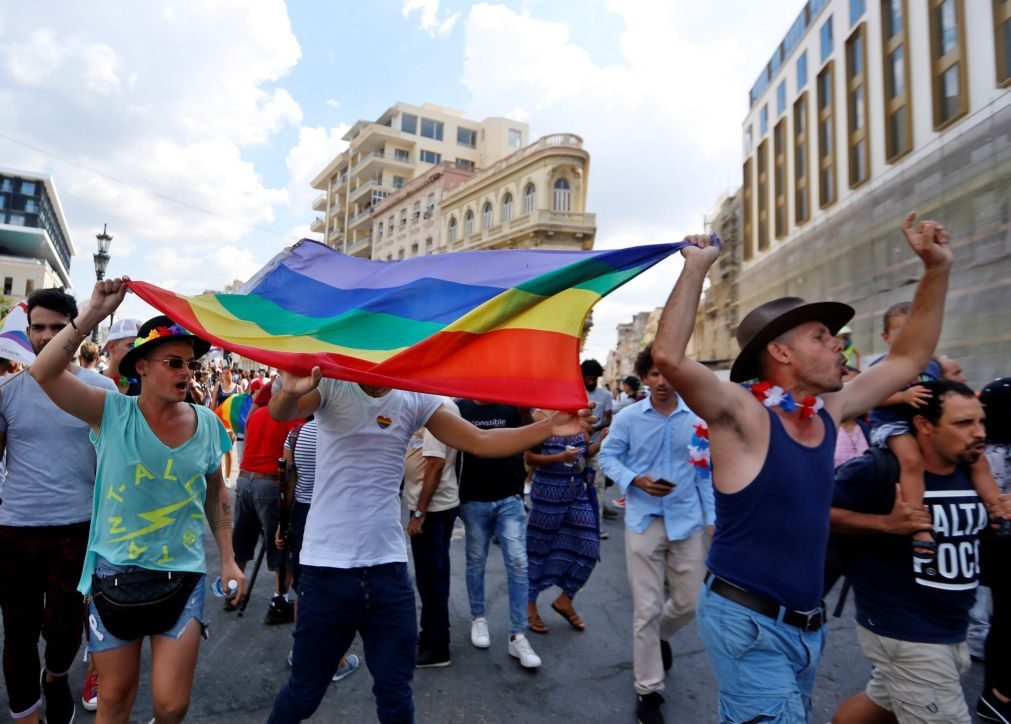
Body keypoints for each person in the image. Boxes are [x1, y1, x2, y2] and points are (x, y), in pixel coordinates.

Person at [651, 213, 955, 722]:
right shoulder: (742, 414)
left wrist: (936, 269)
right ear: (780, 351)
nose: (839, 342)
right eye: (821, 336)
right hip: (745, 623)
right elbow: (670, 356)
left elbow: (908, 359)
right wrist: (697, 267)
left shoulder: (830, 410)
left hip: (806, 626)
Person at [265, 372, 591, 723]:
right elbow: (282, 412)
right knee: (304, 694)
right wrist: (288, 391)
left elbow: (480, 440)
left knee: (396, 697)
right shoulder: (332, 383)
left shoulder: (413, 397)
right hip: (326, 570)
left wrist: (550, 427)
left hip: (387, 573)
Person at [29, 282, 246, 724]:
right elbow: (45, 373)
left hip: (183, 577)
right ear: (142, 367)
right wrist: (92, 313)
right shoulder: (111, 413)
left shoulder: (207, 423)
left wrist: (228, 558)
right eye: (173, 362)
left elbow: (216, 491)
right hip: (115, 577)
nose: (186, 372)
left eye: (189, 363)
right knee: (114, 701)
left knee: (171, 705)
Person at [830, 381, 1010, 723]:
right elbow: (813, 514)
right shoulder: (877, 468)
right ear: (924, 426)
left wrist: (999, 515)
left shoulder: (971, 469)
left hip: (951, 626)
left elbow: (968, 533)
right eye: (963, 424)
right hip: (903, 626)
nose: (978, 433)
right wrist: (886, 524)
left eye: (981, 422)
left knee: (880, 701)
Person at [0, 289, 118, 724]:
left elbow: (116, 461)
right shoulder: (7, 389)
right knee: (18, 632)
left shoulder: (102, 388)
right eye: (38, 327)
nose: (46, 335)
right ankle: (27, 714)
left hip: (80, 528)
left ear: (75, 327)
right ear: (27, 331)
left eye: (57, 326)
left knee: (67, 628)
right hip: (15, 529)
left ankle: (56, 678)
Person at [598, 344, 714, 724]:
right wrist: (637, 481)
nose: (662, 383)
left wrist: (713, 518)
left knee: (689, 602)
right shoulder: (629, 417)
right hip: (644, 520)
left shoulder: (699, 418)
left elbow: (705, 471)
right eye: (654, 375)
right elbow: (607, 457)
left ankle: (660, 637)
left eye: (668, 374)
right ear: (645, 378)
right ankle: (648, 690)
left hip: (688, 519)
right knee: (645, 608)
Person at [869, 304, 1002, 564]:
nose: (911, 338)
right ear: (886, 338)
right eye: (902, 332)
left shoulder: (931, 365)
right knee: (911, 460)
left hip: (925, 426)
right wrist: (903, 396)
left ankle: (997, 507)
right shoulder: (883, 366)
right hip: (892, 425)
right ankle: (918, 522)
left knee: (978, 459)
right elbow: (868, 397)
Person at [456, 399, 543, 670]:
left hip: (509, 499)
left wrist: (524, 410)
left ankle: (518, 635)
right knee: (476, 562)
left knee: (518, 563)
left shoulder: (512, 405)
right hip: (473, 499)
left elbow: (535, 447)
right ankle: (478, 618)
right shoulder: (459, 408)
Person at [276, 418, 360, 683]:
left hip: (303, 512)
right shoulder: (348, 429)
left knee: (305, 586)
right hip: (338, 513)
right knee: (335, 587)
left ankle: (301, 652)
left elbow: (288, 481)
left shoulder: (296, 434)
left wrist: (283, 524)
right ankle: (335, 660)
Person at [524, 410, 601, 635]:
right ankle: (530, 603)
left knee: (589, 546)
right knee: (538, 549)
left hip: (576, 490)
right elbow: (529, 458)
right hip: (548, 491)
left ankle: (565, 599)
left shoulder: (580, 416)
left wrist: (601, 439)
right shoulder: (538, 417)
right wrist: (560, 458)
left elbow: (586, 451)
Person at [229, 401, 302, 623]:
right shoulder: (293, 416)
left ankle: (232, 591)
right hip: (269, 483)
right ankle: (278, 601)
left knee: (241, 542)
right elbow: (295, 456)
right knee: (281, 544)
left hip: (244, 480)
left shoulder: (256, 414)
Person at [403, 398, 461, 668]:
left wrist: (419, 512)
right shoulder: (431, 405)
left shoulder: (438, 408)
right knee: (432, 576)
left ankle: (436, 647)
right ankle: (431, 638)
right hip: (431, 506)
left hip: (432, 509)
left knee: (432, 579)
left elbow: (435, 464)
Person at [977, 378, 1011, 722]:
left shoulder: (982, 449)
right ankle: (997, 695)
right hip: (1000, 548)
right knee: (1004, 622)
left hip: (993, 550)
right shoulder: (989, 454)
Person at [581, 359, 616, 528]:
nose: (591, 381)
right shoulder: (577, 393)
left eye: (593, 378)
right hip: (577, 447)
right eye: (588, 378)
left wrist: (593, 430)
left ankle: (597, 526)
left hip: (597, 447)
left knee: (598, 487)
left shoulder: (605, 395)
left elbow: (608, 419)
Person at [834, 366, 871, 467]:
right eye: (845, 386)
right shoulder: (822, 428)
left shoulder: (870, 428)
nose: (853, 393)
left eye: (859, 387)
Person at [210, 366, 238, 479]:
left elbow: (239, 408)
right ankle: (219, 474)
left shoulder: (238, 388)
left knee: (228, 450)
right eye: (223, 373)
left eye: (227, 373)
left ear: (232, 374)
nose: (225, 375)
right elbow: (213, 405)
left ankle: (227, 477)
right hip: (219, 421)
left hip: (231, 423)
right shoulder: (218, 386)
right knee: (218, 450)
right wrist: (210, 420)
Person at [101, 318, 141, 395]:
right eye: (131, 345)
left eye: (139, 346)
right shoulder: (93, 382)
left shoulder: (143, 389)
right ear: (111, 347)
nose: (137, 350)